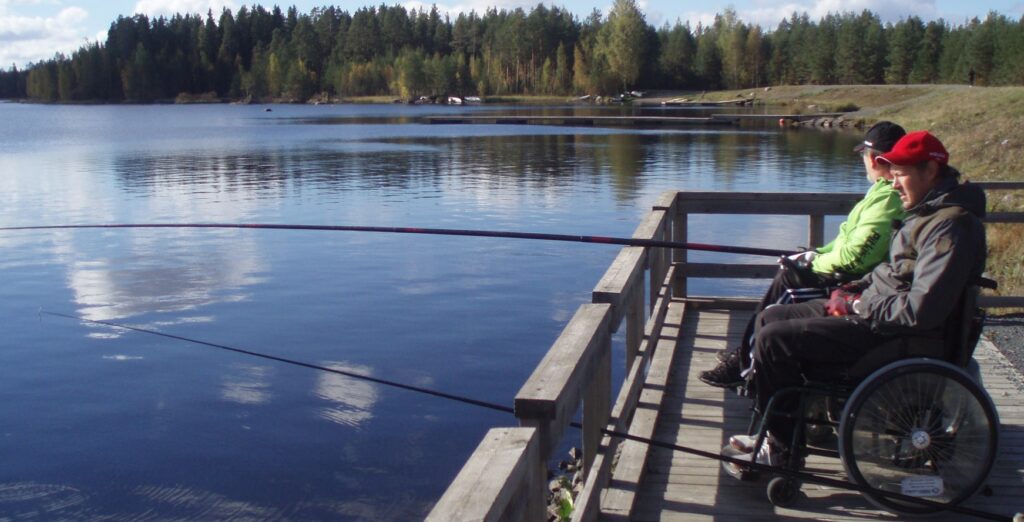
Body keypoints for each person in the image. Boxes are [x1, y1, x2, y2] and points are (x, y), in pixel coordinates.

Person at [724, 130, 987, 470]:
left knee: (776, 340)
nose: (893, 184)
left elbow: (920, 310)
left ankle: (783, 449)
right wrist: (853, 287)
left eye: (900, 175)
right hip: (878, 317)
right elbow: (893, 272)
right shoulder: (927, 213)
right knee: (771, 317)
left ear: (931, 171)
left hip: (896, 335)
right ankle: (779, 429)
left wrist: (857, 305)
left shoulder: (950, 227)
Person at [700, 121, 907, 389]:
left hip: (856, 281)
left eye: (864, 156)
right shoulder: (880, 191)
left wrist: (814, 263)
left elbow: (856, 256)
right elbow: (845, 240)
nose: (862, 162)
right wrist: (814, 254)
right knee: (789, 272)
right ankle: (747, 354)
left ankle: (743, 364)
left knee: (789, 282)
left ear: (876, 159)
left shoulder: (889, 199)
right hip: (853, 274)